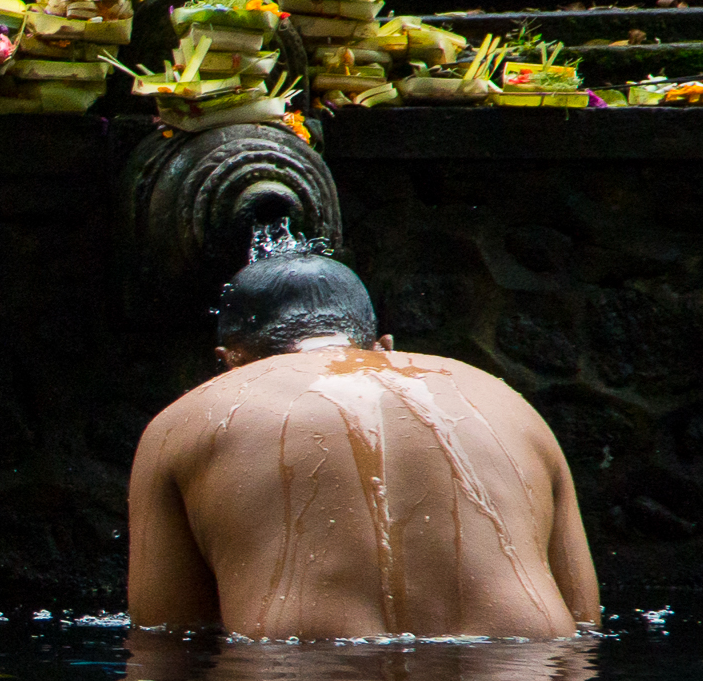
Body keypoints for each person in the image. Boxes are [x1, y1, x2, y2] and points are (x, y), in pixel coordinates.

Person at [126, 244, 597, 640]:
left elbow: (169, 638)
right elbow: (585, 622)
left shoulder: (188, 420)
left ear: (230, 360)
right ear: (384, 345)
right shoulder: (505, 403)